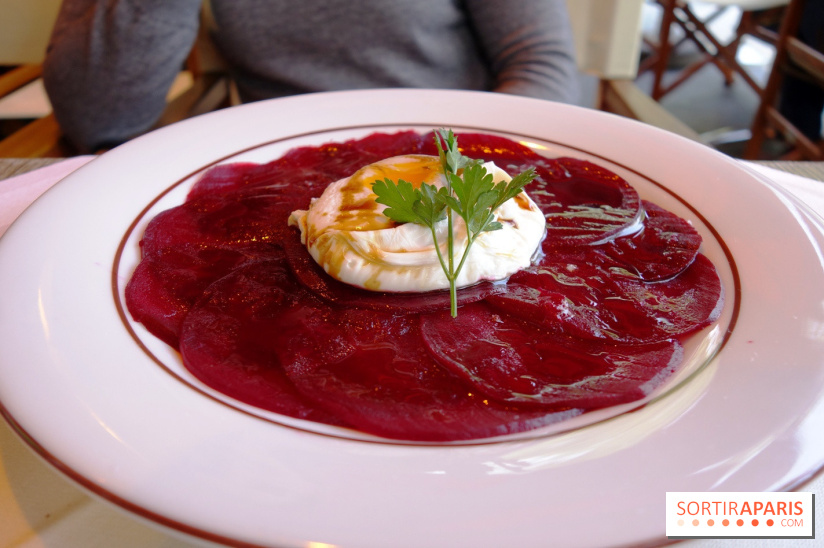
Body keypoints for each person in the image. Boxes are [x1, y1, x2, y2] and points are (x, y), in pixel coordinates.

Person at [42, 0, 580, 154]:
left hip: (448, 163)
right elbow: (97, 120)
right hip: (282, 169)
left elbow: (540, 62)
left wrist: (478, 167)